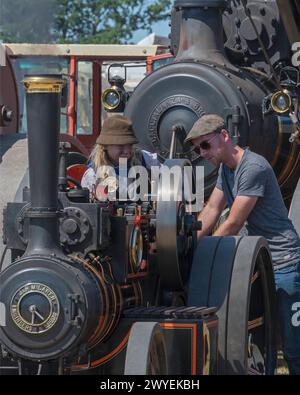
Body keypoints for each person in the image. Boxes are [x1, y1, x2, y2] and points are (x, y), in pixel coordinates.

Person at [184, 113, 300, 375]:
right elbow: (212, 209)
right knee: (259, 339)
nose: (202, 153)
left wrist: (203, 251)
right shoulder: (227, 169)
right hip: (261, 264)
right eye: (197, 148)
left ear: (224, 136)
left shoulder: (253, 167)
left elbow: (234, 222)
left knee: (294, 347)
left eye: (205, 145)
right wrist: (188, 242)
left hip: (286, 264)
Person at [81, 114, 160, 201]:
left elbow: (167, 169)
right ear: (105, 146)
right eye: (120, 146)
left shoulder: (144, 158)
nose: (127, 151)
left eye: (130, 145)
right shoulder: (92, 175)